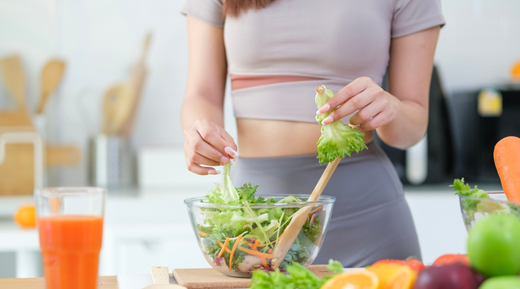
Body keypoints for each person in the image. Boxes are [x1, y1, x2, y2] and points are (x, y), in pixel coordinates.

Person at [180, 0, 445, 267]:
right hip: (254, 225)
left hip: (366, 222)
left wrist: (393, 109)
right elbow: (201, 95)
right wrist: (199, 132)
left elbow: (412, 127)